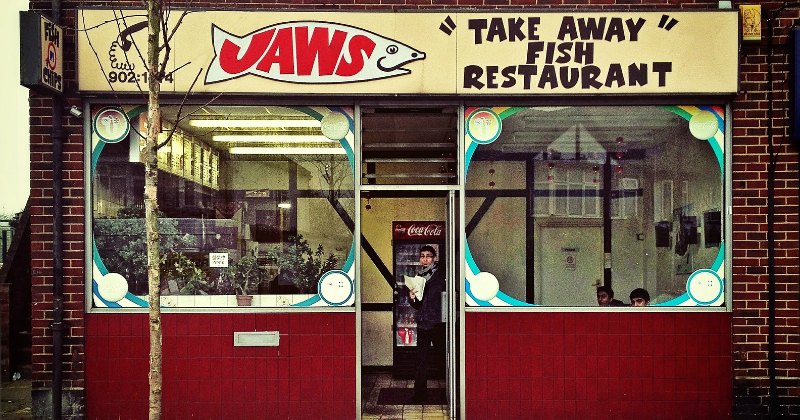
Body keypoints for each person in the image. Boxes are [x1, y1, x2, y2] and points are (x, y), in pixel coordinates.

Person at [407, 245, 445, 403]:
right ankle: (419, 395)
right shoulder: (418, 277)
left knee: (443, 358)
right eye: (422, 256)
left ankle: (452, 392)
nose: (425, 259)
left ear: (434, 258)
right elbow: (417, 305)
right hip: (423, 323)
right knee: (421, 361)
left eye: (428, 256)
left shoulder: (442, 275)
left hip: (438, 323)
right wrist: (412, 297)